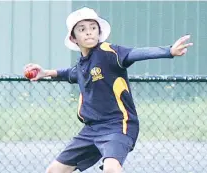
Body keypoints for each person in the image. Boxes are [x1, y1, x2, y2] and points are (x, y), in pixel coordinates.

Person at [24, 7, 193, 173]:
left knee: (111, 168)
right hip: (91, 129)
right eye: (82, 29)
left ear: (99, 32)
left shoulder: (108, 52)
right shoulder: (82, 64)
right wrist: (45, 73)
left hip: (118, 125)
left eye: (93, 28)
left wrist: (169, 51)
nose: (89, 32)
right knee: (54, 170)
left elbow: (135, 53)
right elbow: (71, 73)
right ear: (74, 38)